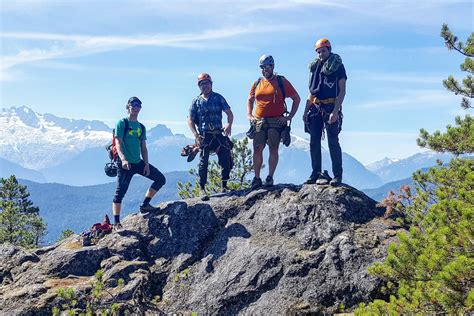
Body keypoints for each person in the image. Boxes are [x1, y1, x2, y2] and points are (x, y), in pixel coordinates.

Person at [112, 97, 166, 230]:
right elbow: (118, 143)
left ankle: (145, 205)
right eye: (133, 105)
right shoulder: (122, 123)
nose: (136, 107)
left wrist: (146, 164)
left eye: (139, 105)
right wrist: (123, 159)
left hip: (138, 162)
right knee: (120, 192)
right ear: (128, 106)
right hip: (125, 164)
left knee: (160, 179)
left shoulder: (141, 127)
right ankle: (116, 222)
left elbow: (143, 147)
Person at [247, 54, 301, 189]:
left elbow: (296, 98)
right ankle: (257, 178)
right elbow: (250, 100)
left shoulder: (281, 81)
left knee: (273, 148)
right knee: (257, 149)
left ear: (272, 66)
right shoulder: (257, 83)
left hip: (276, 121)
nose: (265, 69)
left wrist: (289, 117)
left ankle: (270, 177)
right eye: (262, 67)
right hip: (259, 121)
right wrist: (249, 114)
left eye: (267, 67)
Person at [303, 38, 347, 186]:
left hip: (330, 107)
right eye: (319, 51)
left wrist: (335, 111)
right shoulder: (316, 67)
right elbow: (312, 92)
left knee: (333, 141)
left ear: (329, 49)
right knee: (314, 141)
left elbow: (342, 91)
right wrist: (306, 110)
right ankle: (315, 173)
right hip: (316, 107)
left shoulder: (338, 67)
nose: (321, 54)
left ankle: (337, 176)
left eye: (323, 51)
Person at [188, 73, 234, 201]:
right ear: (199, 86)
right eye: (202, 84)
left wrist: (229, 124)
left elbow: (229, 113)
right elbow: (190, 120)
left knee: (226, 160)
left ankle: (224, 185)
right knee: (203, 163)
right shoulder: (196, 102)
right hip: (204, 136)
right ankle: (202, 188)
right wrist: (196, 135)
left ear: (211, 84)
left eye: (207, 83)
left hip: (218, 134)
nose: (205, 86)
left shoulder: (218, 98)